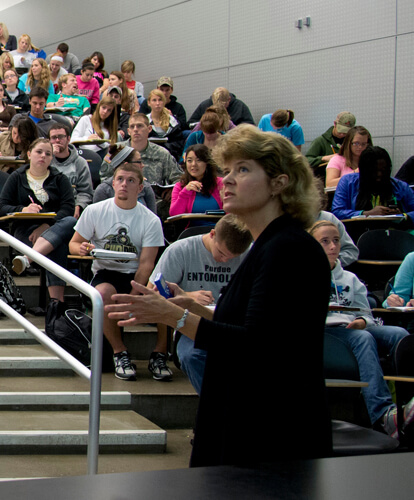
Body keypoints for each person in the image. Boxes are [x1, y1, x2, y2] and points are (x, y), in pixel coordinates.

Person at [104, 125, 332, 467]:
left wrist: (173, 317)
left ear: (279, 183)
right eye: (226, 171)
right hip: (253, 420)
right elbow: (248, 325)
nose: (226, 180)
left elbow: (256, 345)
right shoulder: (268, 246)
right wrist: (188, 307)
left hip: (271, 434)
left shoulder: (287, 250)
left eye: (242, 170)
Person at [311, 220, 413, 438]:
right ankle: (383, 415)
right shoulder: (303, 275)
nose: (332, 246)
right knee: (363, 338)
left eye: (336, 241)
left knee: (400, 335)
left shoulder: (350, 278)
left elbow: (366, 313)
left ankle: (408, 408)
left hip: (354, 326)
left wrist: (361, 321)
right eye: (325, 241)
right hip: (327, 331)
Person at [69, 155, 164, 380]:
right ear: (112, 184)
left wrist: (134, 294)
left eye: (131, 181)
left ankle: (160, 354)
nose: (124, 184)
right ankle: (120, 352)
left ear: (140, 188)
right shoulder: (95, 210)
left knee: (163, 294)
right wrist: (81, 249)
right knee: (103, 294)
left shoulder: (151, 220)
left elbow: (147, 263)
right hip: (106, 272)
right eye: (120, 179)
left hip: (136, 274)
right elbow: (74, 243)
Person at [149, 215, 252, 389]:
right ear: (212, 234)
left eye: (232, 257)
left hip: (233, 325)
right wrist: (188, 296)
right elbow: (152, 293)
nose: (225, 260)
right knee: (192, 356)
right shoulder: (180, 250)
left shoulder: (250, 255)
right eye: (221, 253)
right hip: (192, 324)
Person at [0, 138, 76, 300]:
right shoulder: (16, 177)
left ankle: (27, 258)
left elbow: (68, 208)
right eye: (39, 152)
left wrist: (46, 226)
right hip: (26, 232)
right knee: (57, 246)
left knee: (71, 222)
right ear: (29, 154)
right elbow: (1, 207)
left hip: (54, 228)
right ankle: (57, 303)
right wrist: (22, 209)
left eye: (48, 154)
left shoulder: (60, 179)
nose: (43, 156)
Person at [331, 146, 414, 220]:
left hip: (395, 232)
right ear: (364, 170)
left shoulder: (401, 187)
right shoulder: (347, 182)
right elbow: (337, 212)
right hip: (358, 233)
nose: (379, 175)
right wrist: (366, 214)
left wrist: (403, 216)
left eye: (383, 170)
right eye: (374, 171)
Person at [104, 114, 181, 189]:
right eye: (132, 127)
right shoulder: (116, 150)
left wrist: (171, 192)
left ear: (149, 129)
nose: (135, 129)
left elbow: (178, 178)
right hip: (122, 196)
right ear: (128, 131)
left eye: (139, 126)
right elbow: (104, 177)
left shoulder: (162, 153)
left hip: (154, 199)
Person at [48, 123, 93, 218]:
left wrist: (78, 206)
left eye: (60, 137)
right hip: (49, 207)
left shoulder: (80, 163)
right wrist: (50, 157)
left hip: (72, 207)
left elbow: (85, 192)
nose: (57, 140)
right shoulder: (45, 161)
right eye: (53, 138)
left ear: (68, 139)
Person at [94, 144, 156, 213]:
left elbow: (152, 217)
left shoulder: (145, 187)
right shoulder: (104, 190)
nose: (142, 165)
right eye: (139, 162)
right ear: (126, 165)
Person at [170, 144, 223, 216]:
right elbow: (173, 214)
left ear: (207, 163)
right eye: (189, 161)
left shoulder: (220, 183)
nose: (193, 164)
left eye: (199, 160)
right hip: (192, 227)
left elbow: (231, 212)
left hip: (217, 226)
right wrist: (185, 192)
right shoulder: (180, 186)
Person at [146, 88, 185, 159]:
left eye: (160, 100)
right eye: (154, 100)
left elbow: (178, 143)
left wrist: (165, 148)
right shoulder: (145, 121)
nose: (157, 103)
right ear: (149, 103)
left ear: (164, 102)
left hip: (169, 156)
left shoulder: (172, 121)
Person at [188, 87, 254, 128]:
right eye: (216, 105)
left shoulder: (240, 106)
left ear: (229, 99)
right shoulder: (204, 105)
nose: (219, 109)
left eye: (222, 105)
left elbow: (250, 125)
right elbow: (190, 123)